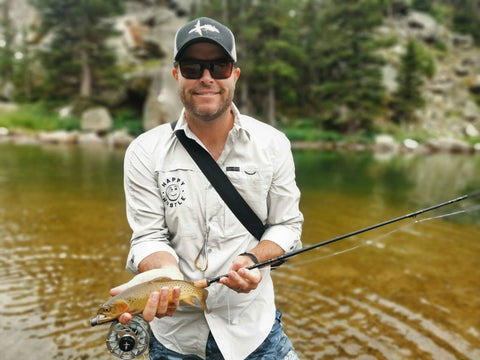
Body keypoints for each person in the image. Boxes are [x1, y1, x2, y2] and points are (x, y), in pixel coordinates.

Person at [112, 17, 303, 360]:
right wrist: (166, 277)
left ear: (235, 75)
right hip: (175, 339)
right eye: (192, 66)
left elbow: (287, 225)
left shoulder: (273, 144)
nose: (206, 77)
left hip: (254, 331)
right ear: (176, 75)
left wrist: (253, 260)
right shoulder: (144, 150)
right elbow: (148, 236)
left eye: (219, 66)